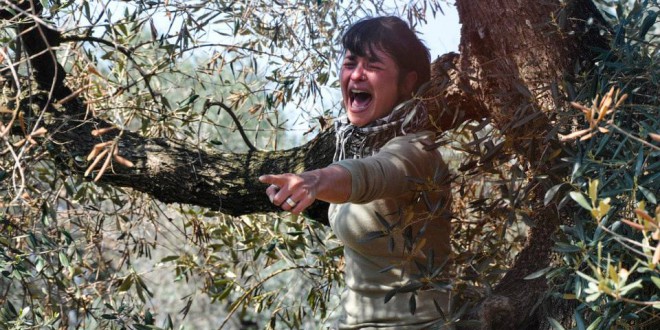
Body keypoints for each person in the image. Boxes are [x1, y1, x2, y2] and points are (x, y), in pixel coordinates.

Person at [259, 16, 452, 329]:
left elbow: (371, 175)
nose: (357, 74)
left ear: (407, 82)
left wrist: (313, 181)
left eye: (373, 65)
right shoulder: (357, 144)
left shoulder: (417, 152)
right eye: (350, 62)